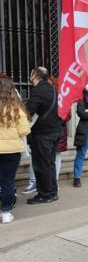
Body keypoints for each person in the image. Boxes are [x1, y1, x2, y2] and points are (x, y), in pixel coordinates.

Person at [25, 67, 61, 204]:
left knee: (41, 165)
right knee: (50, 164)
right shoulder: (53, 89)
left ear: (34, 75)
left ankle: (45, 194)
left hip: (43, 134)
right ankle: (52, 192)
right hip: (55, 131)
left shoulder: (38, 90)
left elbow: (29, 111)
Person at [0, 77, 30, 223]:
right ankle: (5, 212)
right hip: (11, 151)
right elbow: (24, 130)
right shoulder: (17, 109)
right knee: (7, 181)